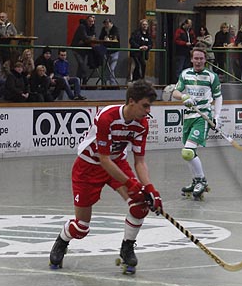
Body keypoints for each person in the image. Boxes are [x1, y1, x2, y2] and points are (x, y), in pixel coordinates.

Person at [48, 80, 160, 273]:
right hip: (89, 166)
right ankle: (62, 240)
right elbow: (104, 159)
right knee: (81, 227)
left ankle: (127, 248)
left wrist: (150, 188)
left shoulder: (142, 124)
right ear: (131, 102)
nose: (148, 111)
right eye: (145, 105)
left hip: (117, 164)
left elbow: (140, 161)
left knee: (140, 205)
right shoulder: (107, 117)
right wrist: (132, 183)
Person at [172, 47, 223, 201]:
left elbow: (218, 97)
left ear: (205, 60)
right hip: (188, 117)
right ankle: (195, 181)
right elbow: (174, 92)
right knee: (188, 153)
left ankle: (201, 180)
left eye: (201, 58)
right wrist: (184, 97)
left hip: (203, 117)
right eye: (196, 58)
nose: (199, 61)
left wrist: (217, 116)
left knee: (188, 151)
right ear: (192, 59)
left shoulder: (211, 76)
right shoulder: (185, 74)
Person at [71, 16, 98, 81]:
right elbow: (84, 37)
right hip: (76, 48)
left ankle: (77, 81)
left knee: (80, 66)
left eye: (93, 21)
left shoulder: (92, 28)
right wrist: (89, 38)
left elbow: (92, 37)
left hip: (83, 49)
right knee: (81, 64)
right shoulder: (82, 26)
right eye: (90, 21)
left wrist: (88, 38)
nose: (91, 23)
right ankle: (84, 78)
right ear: (86, 21)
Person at [98, 18, 120, 85]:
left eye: (107, 24)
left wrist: (109, 38)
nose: (106, 25)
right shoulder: (103, 29)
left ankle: (112, 83)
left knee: (112, 68)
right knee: (105, 68)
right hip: (106, 50)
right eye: (105, 24)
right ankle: (104, 83)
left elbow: (115, 38)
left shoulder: (115, 29)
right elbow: (100, 38)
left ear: (110, 23)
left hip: (114, 50)